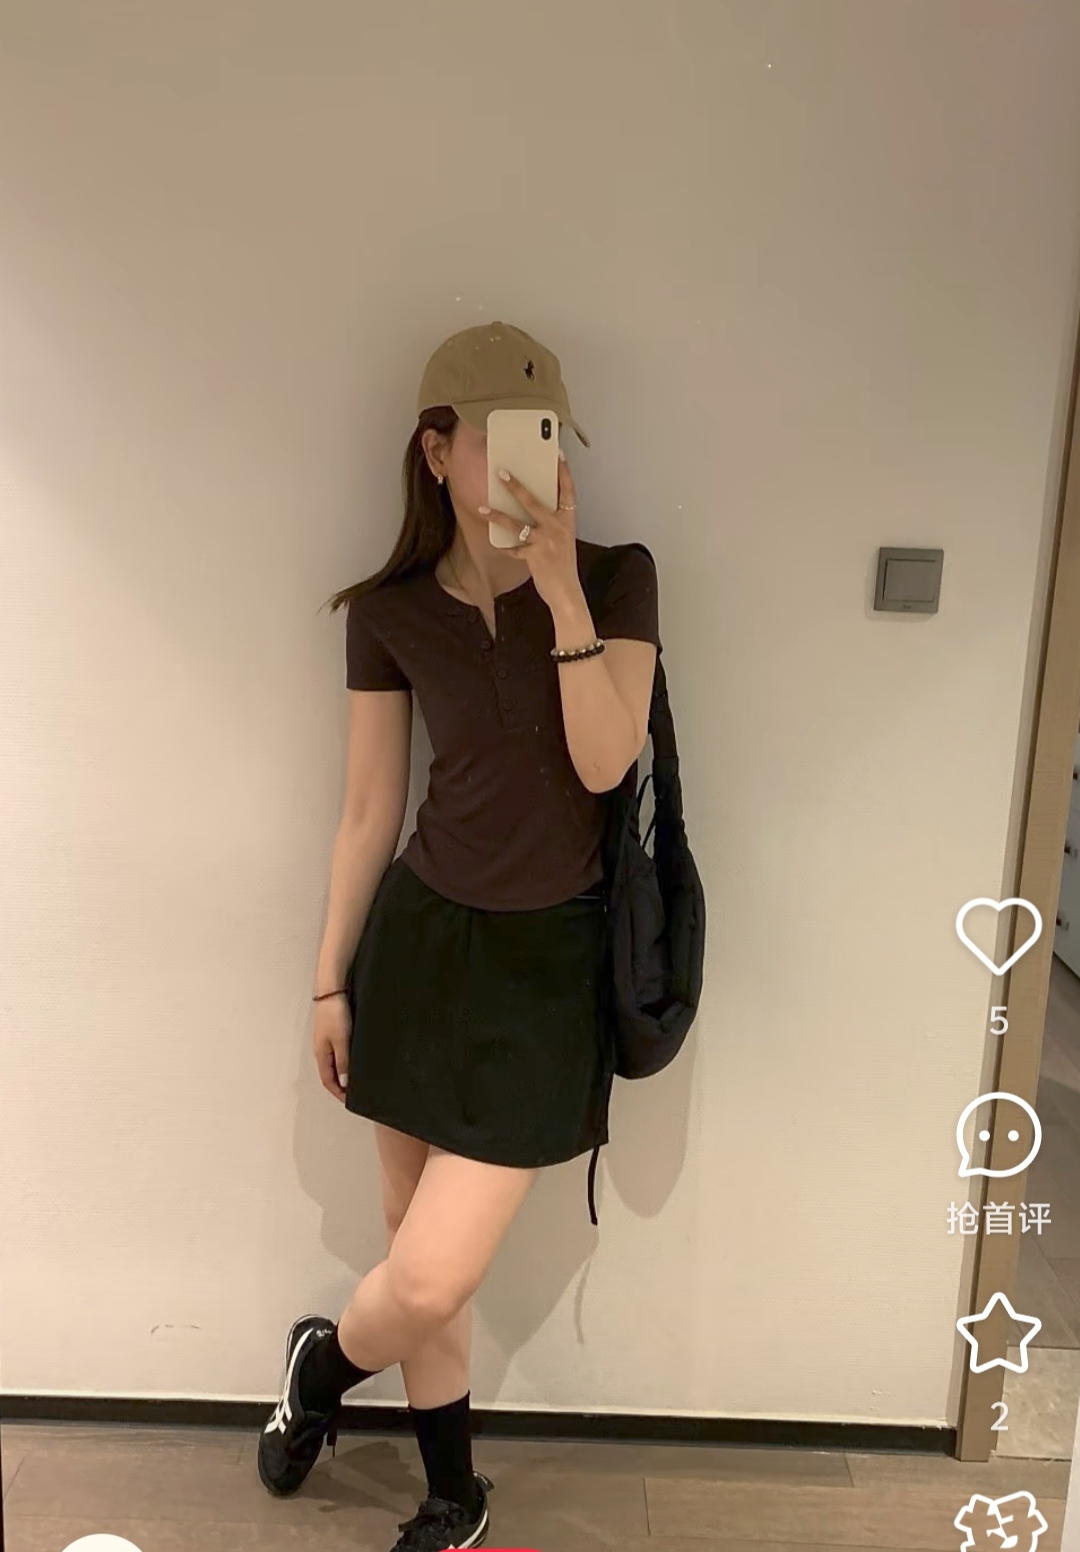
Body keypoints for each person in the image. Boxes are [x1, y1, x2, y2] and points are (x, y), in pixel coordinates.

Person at [257, 321, 661, 1552]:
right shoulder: (387, 613)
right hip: (422, 950)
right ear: (437, 452)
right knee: (412, 1252)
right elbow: (368, 810)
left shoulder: (617, 577)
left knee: (432, 1275)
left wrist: (560, 591)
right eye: (501, 439)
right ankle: (454, 1497)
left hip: (550, 970)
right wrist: (327, 982)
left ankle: (321, 1367)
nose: (535, 465)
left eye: (549, 438)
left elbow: (606, 761)